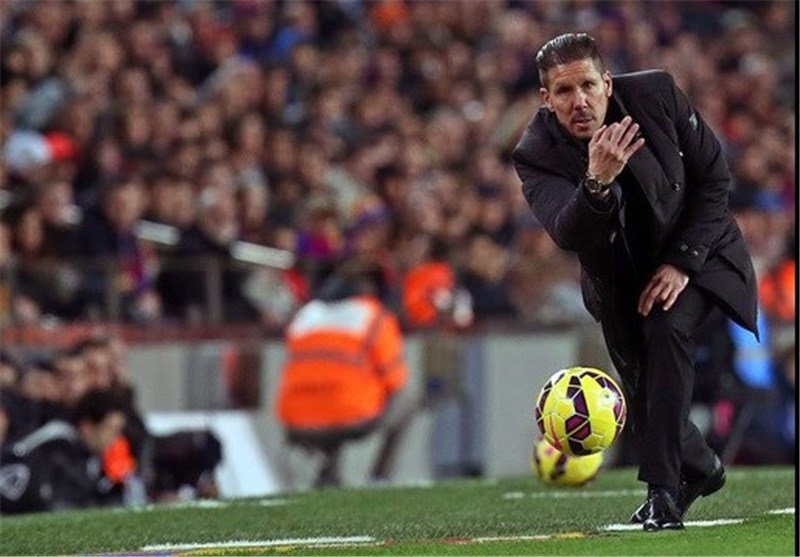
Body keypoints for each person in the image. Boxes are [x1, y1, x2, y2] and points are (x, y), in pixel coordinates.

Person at [512, 33, 758, 531]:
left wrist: (682, 263)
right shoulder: (536, 151)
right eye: (564, 91)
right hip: (619, 281)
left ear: (607, 83)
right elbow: (567, 233)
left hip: (701, 252)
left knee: (667, 326)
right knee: (645, 394)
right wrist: (596, 182)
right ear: (546, 99)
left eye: (587, 85)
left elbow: (714, 179)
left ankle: (662, 494)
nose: (579, 101)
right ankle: (703, 467)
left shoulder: (656, 94)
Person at [276, 258, 413, 487]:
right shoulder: (374, 316)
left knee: (334, 399)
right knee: (406, 400)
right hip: (347, 418)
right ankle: (379, 479)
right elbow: (395, 380)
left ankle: (328, 476)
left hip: (295, 422)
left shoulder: (307, 314)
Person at [0, 389, 126, 514]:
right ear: (87, 427)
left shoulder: (91, 459)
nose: (114, 439)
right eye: (111, 430)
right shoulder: (56, 442)